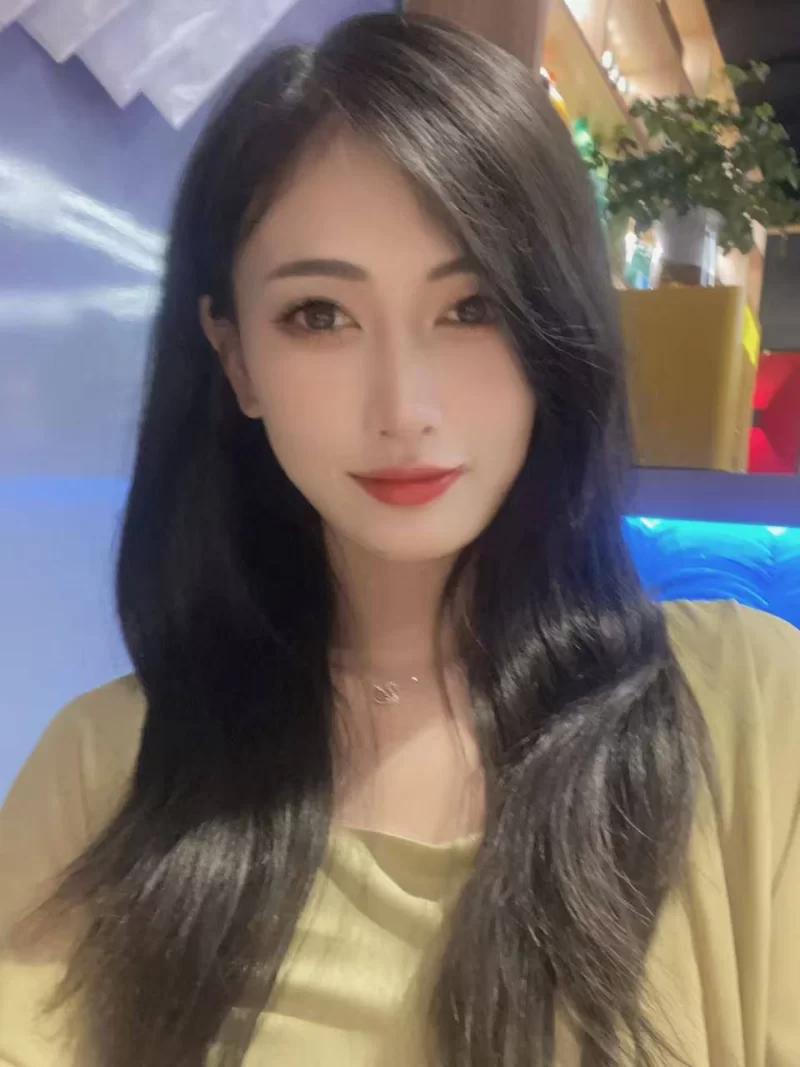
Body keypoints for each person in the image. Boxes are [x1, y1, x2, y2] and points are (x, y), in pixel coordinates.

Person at [0, 12, 798, 1067]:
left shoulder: (753, 707)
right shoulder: (107, 765)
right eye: (318, 315)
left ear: (554, 328)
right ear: (234, 358)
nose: (403, 407)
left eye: (471, 307)